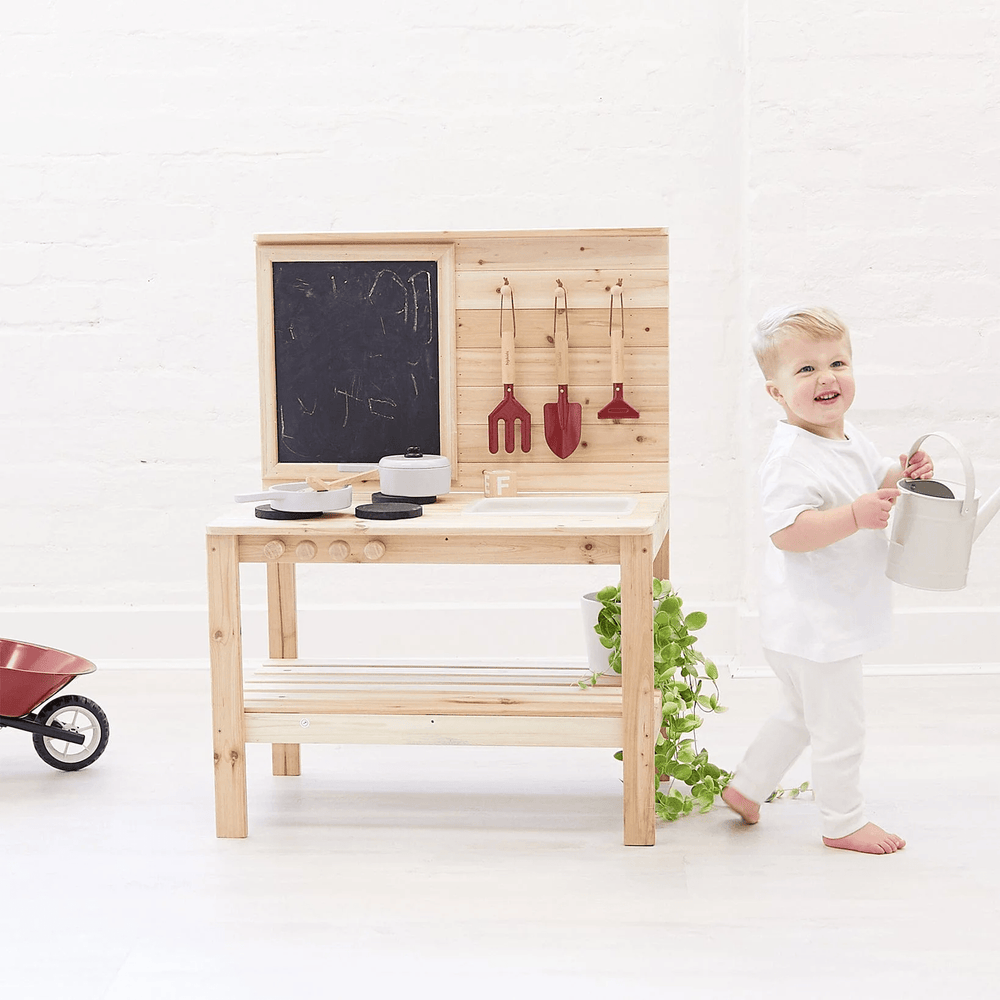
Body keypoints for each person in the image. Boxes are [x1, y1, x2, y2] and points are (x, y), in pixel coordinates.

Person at [721, 306, 933, 855]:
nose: (826, 378)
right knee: (841, 726)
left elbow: (876, 475)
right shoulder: (790, 455)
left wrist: (904, 475)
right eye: (805, 370)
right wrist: (854, 517)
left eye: (837, 362)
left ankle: (747, 786)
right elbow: (787, 532)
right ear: (775, 392)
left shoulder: (843, 436)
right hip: (817, 623)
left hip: (806, 621)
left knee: (800, 713)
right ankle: (842, 821)